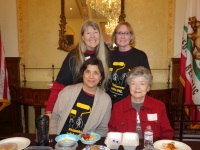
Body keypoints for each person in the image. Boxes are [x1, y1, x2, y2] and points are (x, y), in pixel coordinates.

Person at [45, 20, 109, 115]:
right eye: (88, 33)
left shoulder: (106, 54)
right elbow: (59, 84)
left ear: (100, 35)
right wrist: (49, 110)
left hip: (97, 107)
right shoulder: (73, 57)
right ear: (82, 37)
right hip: (75, 106)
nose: (92, 36)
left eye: (95, 32)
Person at [49, 58, 112, 137]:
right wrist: (54, 138)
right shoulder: (67, 91)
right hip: (61, 140)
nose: (91, 76)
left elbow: (103, 129)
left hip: (86, 144)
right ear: (82, 74)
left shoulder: (106, 100)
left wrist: (89, 140)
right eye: (88, 72)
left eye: (96, 73)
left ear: (101, 77)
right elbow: (54, 117)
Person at [108, 66, 174, 139]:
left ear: (148, 87)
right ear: (129, 86)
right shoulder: (118, 107)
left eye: (142, 84)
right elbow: (111, 133)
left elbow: (167, 134)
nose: (137, 87)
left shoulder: (159, 106)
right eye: (133, 83)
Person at [106, 22, 150, 104]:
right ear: (115, 36)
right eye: (119, 33)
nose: (122, 36)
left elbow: (147, 81)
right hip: (109, 104)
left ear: (131, 36)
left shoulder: (140, 56)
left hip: (130, 104)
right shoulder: (108, 56)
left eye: (126, 33)